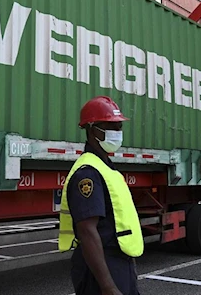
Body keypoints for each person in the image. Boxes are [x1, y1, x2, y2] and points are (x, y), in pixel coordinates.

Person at [58, 96, 144, 295]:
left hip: (117, 263)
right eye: (111, 127)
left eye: (119, 127)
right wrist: (108, 287)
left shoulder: (105, 167)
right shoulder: (87, 173)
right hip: (101, 269)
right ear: (92, 129)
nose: (117, 133)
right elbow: (87, 231)